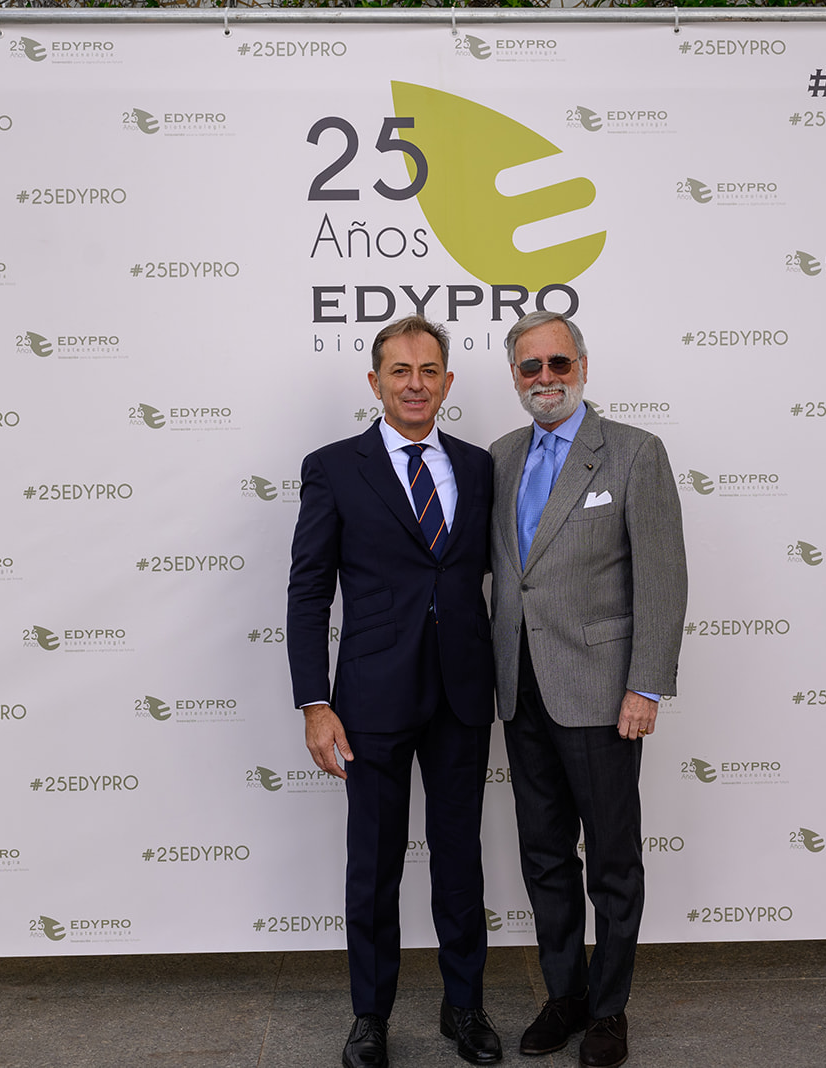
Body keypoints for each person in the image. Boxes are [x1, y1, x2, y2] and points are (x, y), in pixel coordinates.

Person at [286, 315, 502, 1068]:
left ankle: (464, 1006)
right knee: (373, 864)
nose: (416, 384)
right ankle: (370, 1016)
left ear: (448, 381)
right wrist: (315, 702)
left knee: (460, 859)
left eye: (429, 370)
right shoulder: (333, 467)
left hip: (462, 694)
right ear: (375, 382)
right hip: (370, 700)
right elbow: (309, 591)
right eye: (401, 371)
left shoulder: (479, 467)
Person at [488, 311, 687, 1068]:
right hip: (521, 691)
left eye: (558, 363)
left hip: (603, 694)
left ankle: (608, 1009)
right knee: (544, 856)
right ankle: (564, 995)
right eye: (530, 366)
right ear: (515, 376)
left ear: (581, 366)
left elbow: (663, 579)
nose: (546, 378)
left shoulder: (635, 452)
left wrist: (647, 686)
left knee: (610, 861)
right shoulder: (500, 457)